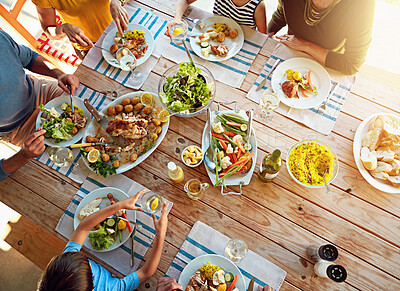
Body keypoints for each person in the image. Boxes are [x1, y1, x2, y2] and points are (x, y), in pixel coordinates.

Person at [38, 189, 169, 291]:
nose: (89, 263)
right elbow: (146, 272)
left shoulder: (66, 262)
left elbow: (82, 228)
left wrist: (118, 206)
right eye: (89, 267)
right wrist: (161, 235)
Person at [0, 30, 79, 181]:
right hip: (19, 129)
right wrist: (24, 156)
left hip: (39, 90)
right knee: (68, 164)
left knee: (90, 105)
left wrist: (59, 74)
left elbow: (28, 57)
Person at [267, 0, 375, 75]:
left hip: (327, 66)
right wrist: (264, 36)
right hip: (289, 56)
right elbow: (282, 13)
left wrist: (305, 46)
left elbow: (352, 65)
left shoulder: (362, 4)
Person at [32, 0, 130, 57]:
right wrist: (63, 28)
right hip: (91, 47)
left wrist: (117, 1)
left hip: (123, 28)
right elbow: (49, 30)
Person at [169, 0, 267, 34]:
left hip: (243, 40)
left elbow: (262, 34)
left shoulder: (258, 6)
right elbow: (185, 1)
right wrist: (177, 19)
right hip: (215, 30)